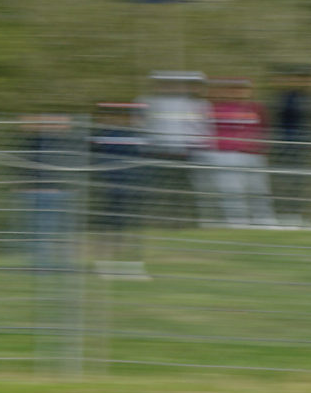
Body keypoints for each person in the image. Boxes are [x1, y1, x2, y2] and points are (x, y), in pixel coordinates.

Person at [203, 77, 278, 228]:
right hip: (226, 155)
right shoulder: (216, 109)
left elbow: (265, 128)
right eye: (234, 89)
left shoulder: (257, 108)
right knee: (232, 190)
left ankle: (264, 220)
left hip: (254, 154)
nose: (238, 92)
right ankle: (238, 222)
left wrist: (262, 147)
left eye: (242, 89)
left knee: (258, 189)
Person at [142, 71, 210, 226]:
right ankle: (163, 221)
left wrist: (198, 146)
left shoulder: (197, 104)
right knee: (160, 189)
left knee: (185, 188)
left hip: (185, 152)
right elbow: (142, 124)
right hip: (159, 151)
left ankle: (188, 221)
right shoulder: (148, 102)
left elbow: (200, 128)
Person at [90, 100, 148, 277]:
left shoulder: (129, 135)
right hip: (116, 184)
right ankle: (109, 254)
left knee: (122, 222)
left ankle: (120, 253)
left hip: (125, 184)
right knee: (114, 221)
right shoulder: (109, 135)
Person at [17, 113, 79, 272]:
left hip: (54, 192)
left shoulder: (57, 143)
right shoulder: (36, 142)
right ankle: (44, 266)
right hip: (43, 191)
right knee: (43, 231)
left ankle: (55, 265)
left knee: (51, 231)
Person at [269, 65, 311, 229]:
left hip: (303, 148)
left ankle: (296, 216)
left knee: (300, 184)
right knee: (285, 182)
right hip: (286, 146)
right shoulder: (285, 97)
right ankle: (284, 217)